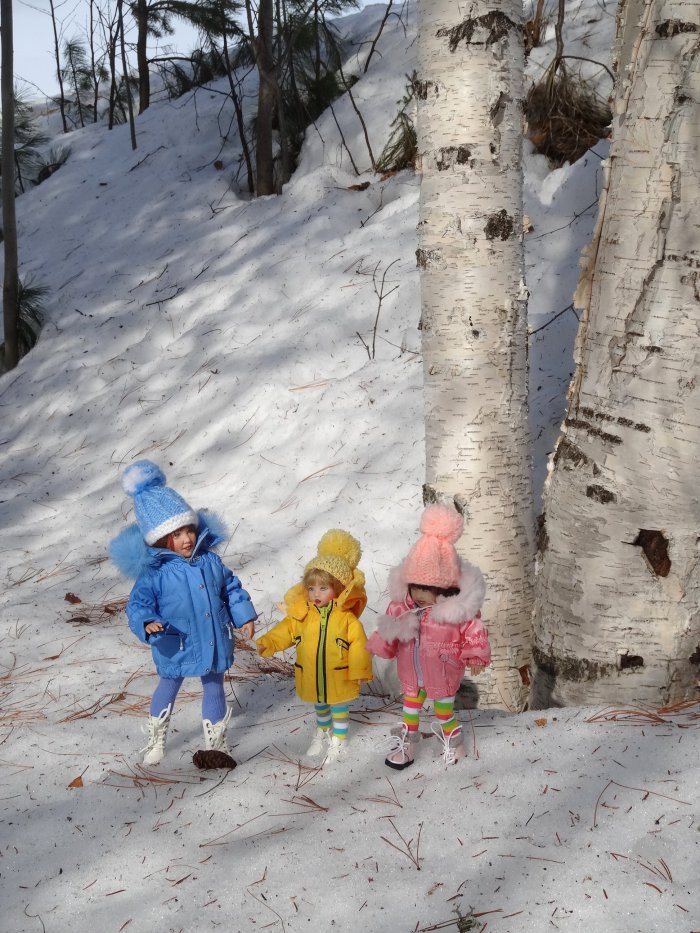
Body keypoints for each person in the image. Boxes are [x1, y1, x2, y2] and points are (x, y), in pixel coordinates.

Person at [109, 460, 257, 766]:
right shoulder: (155, 573)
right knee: (169, 684)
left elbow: (230, 588)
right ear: (162, 539)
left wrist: (243, 615)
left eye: (188, 530)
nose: (186, 539)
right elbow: (138, 604)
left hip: (213, 639)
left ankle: (217, 744)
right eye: (176, 535)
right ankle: (156, 738)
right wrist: (148, 621)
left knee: (214, 686)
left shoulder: (210, 562)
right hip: (174, 642)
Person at [365, 504, 490, 768]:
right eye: (415, 586)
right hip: (412, 673)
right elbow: (388, 630)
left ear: (445, 588)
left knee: (443, 711)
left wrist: (476, 654)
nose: (420, 594)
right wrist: (377, 646)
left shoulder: (456, 613)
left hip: (443, 670)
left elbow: (475, 632)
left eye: (427, 588)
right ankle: (409, 742)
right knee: (410, 709)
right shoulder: (402, 608)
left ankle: (453, 743)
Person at [256, 529, 372, 760]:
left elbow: (359, 645)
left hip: (338, 673)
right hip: (311, 673)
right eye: (311, 588)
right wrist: (267, 642)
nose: (315, 593)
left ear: (337, 589)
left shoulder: (346, 618)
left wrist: (359, 670)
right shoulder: (302, 614)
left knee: (337, 705)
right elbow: (285, 631)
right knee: (320, 704)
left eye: (323, 588)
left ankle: (339, 740)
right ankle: (323, 731)